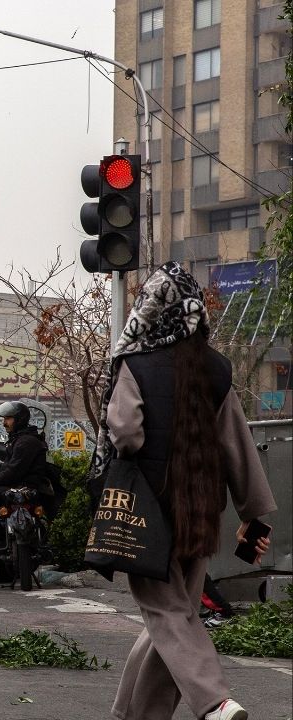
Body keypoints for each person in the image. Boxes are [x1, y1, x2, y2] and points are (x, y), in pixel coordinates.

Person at [96, 262, 275, 720]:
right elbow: (237, 444)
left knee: (167, 615)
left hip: (146, 513)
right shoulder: (216, 369)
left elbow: (127, 433)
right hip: (201, 513)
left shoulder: (136, 363)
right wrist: (254, 516)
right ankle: (131, 713)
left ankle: (214, 701)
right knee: (176, 617)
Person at [0, 400, 51, 559]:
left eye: (8, 419)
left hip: (22, 487)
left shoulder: (26, 441)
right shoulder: (20, 439)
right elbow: (10, 466)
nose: (4, 422)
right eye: (4, 419)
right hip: (15, 485)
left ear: (19, 419)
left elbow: (13, 472)